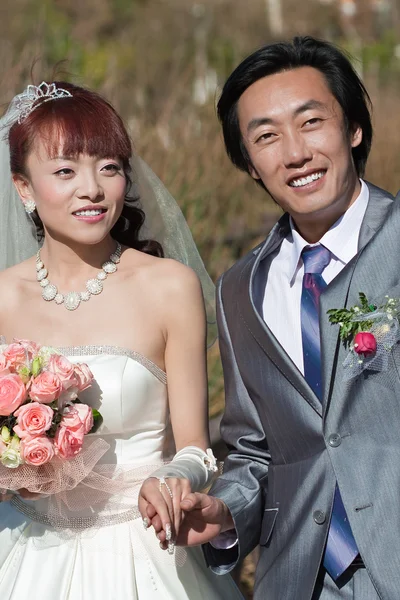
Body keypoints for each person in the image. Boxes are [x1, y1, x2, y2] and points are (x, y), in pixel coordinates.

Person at [167, 36, 400, 599]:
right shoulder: (239, 289)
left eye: (311, 121)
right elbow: (255, 450)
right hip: (301, 579)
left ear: (353, 129)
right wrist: (225, 513)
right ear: (249, 163)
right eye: (266, 136)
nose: (294, 153)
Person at [0, 81, 243, 599]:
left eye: (108, 167)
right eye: (65, 171)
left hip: (141, 548)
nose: (92, 189)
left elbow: (198, 448)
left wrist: (176, 477)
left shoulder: (167, 285)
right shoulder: (2, 297)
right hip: (26, 549)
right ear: (24, 188)